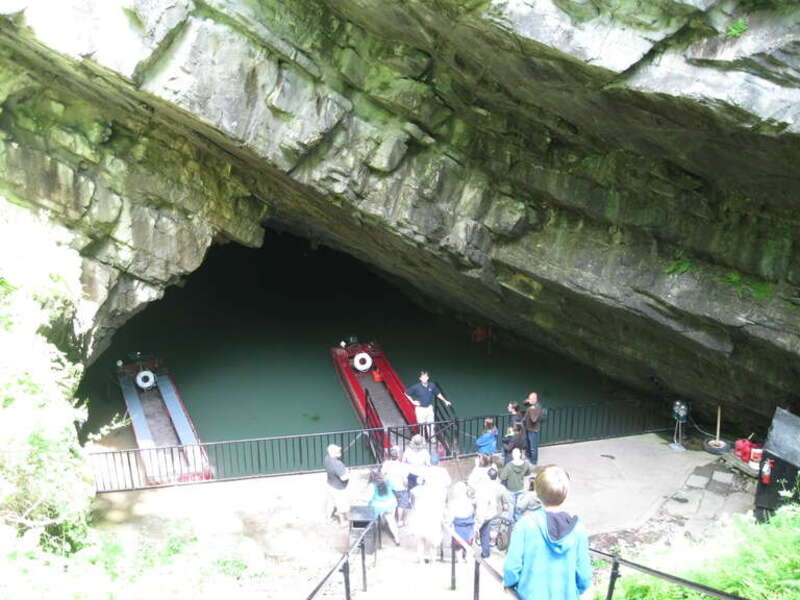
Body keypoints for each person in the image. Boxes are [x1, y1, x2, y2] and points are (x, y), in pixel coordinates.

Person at [503, 465, 592, 600]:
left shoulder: (525, 526)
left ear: (537, 492)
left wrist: (509, 584)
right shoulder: (578, 530)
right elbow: (584, 576)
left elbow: (512, 568)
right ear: (566, 494)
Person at [409, 474, 447, 564]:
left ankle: (421, 560)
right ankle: (433, 560)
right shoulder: (435, 491)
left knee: (420, 541)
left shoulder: (415, 491)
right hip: (431, 517)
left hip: (420, 516)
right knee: (432, 542)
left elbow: (412, 503)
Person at [405, 370, 451, 439]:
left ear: (428, 378)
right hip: (420, 409)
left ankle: (432, 439)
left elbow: (438, 394)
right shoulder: (416, 387)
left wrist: (445, 401)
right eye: (422, 378)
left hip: (429, 408)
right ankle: (422, 440)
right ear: (420, 378)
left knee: (431, 425)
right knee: (422, 427)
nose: (424, 379)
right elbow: (406, 393)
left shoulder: (432, 385)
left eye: (425, 377)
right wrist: (412, 401)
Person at [474, 467, 506, 559]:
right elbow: (504, 502)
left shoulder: (483, 486)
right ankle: (489, 546)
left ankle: (482, 546)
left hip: (484, 513)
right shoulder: (501, 488)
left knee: (481, 530)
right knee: (491, 530)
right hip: (495, 512)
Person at [500, 448, 534, 521]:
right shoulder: (525, 464)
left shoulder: (509, 466)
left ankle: (510, 522)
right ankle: (518, 520)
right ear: (520, 455)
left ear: (512, 455)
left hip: (510, 489)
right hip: (521, 488)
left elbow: (502, 477)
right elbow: (528, 473)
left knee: (511, 506)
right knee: (519, 507)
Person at [368, 469, 400, 545]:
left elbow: (368, 497)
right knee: (391, 521)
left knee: (372, 520)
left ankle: (372, 538)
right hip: (390, 504)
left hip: (377, 506)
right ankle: (397, 540)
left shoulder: (372, 485)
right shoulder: (388, 481)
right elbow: (396, 489)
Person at [382, 446, 411, 527]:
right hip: (400, 488)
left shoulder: (386, 464)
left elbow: (382, 475)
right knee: (401, 504)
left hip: (389, 488)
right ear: (398, 456)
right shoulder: (402, 466)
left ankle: (388, 520)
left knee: (390, 503)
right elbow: (405, 480)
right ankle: (399, 521)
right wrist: (407, 487)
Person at [447, 481, 475, 563]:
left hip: (458, 525)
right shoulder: (469, 501)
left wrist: (448, 522)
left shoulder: (453, 502)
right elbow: (472, 511)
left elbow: (450, 515)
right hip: (468, 524)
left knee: (458, 544)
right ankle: (467, 558)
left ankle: (460, 560)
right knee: (468, 543)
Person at [324, 444, 350, 525]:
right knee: (342, 505)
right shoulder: (337, 464)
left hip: (330, 484)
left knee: (331, 503)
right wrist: (348, 473)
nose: (340, 452)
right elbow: (343, 478)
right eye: (338, 451)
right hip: (338, 488)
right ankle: (343, 522)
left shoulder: (327, 458)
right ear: (333, 453)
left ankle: (328, 518)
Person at [523, 392, 542, 464]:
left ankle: (534, 461)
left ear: (535, 399)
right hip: (529, 428)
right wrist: (528, 401)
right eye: (529, 398)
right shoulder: (532, 405)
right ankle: (529, 457)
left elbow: (534, 420)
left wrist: (531, 409)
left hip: (533, 430)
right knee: (529, 445)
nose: (529, 400)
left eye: (531, 399)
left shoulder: (536, 407)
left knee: (533, 447)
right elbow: (524, 403)